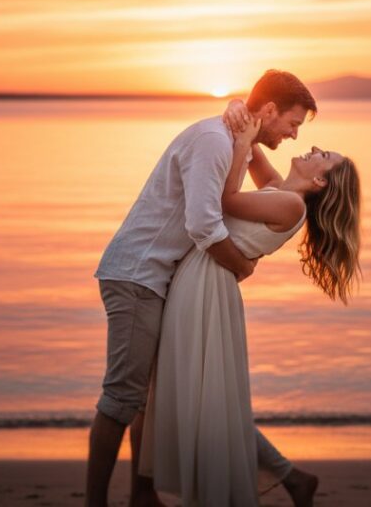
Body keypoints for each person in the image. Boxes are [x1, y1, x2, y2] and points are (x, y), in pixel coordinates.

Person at [86, 71, 318, 507]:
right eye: (293, 123)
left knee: (145, 399)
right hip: (138, 274)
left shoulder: (232, 143)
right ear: (268, 110)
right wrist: (242, 267)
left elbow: (241, 197)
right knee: (122, 397)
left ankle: (142, 494)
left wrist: (241, 128)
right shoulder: (215, 141)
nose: (293, 135)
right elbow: (203, 223)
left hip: (159, 277)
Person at [140, 113, 362, 506]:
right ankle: (292, 478)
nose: (311, 147)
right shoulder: (279, 190)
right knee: (205, 393)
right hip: (205, 280)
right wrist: (239, 106)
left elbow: (222, 200)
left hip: (205, 286)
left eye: (322, 155)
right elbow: (254, 130)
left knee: (202, 394)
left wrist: (241, 144)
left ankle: (267, 481)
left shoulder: (291, 206)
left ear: (320, 181)